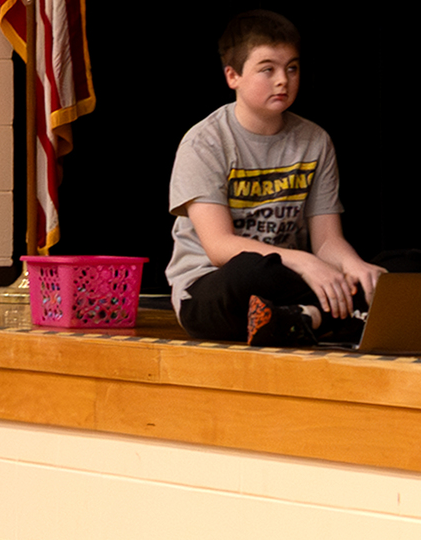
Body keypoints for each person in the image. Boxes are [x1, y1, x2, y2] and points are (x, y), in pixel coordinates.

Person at [165, 10, 386, 346]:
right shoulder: (204, 142)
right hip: (217, 286)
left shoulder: (314, 140)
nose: (283, 80)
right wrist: (307, 263)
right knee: (250, 272)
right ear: (232, 76)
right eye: (267, 69)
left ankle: (298, 319)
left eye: (292, 68)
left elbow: (328, 241)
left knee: (396, 269)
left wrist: (356, 268)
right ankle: (336, 317)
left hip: (288, 278)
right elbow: (219, 247)